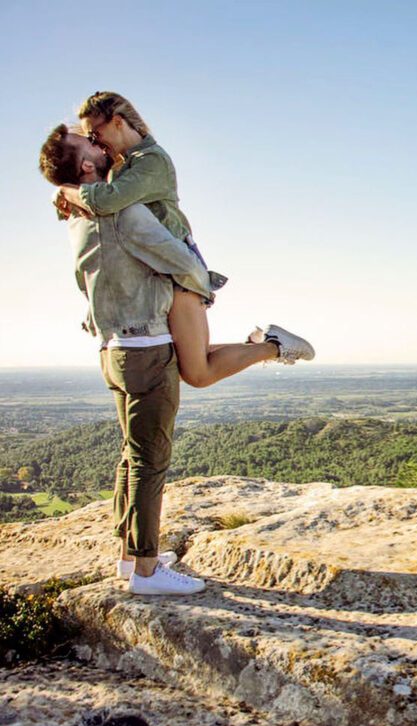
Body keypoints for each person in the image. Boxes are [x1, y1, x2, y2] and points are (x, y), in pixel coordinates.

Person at [38, 126, 312, 594]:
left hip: (112, 350)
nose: (102, 147)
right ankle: (146, 571)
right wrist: (201, 288)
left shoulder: (76, 220)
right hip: (146, 349)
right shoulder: (121, 211)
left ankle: (129, 556)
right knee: (150, 461)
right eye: (92, 146)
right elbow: (177, 260)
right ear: (86, 167)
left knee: (131, 456)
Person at [54, 91, 315, 384]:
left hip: (178, 273)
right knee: (185, 361)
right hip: (164, 276)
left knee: (197, 373)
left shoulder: (152, 160)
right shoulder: (126, 165)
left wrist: (65, 190)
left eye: (94, 133)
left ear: (116, 122)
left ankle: (273, 346)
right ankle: (266, 343)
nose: (94, 142)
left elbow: (107, 201)